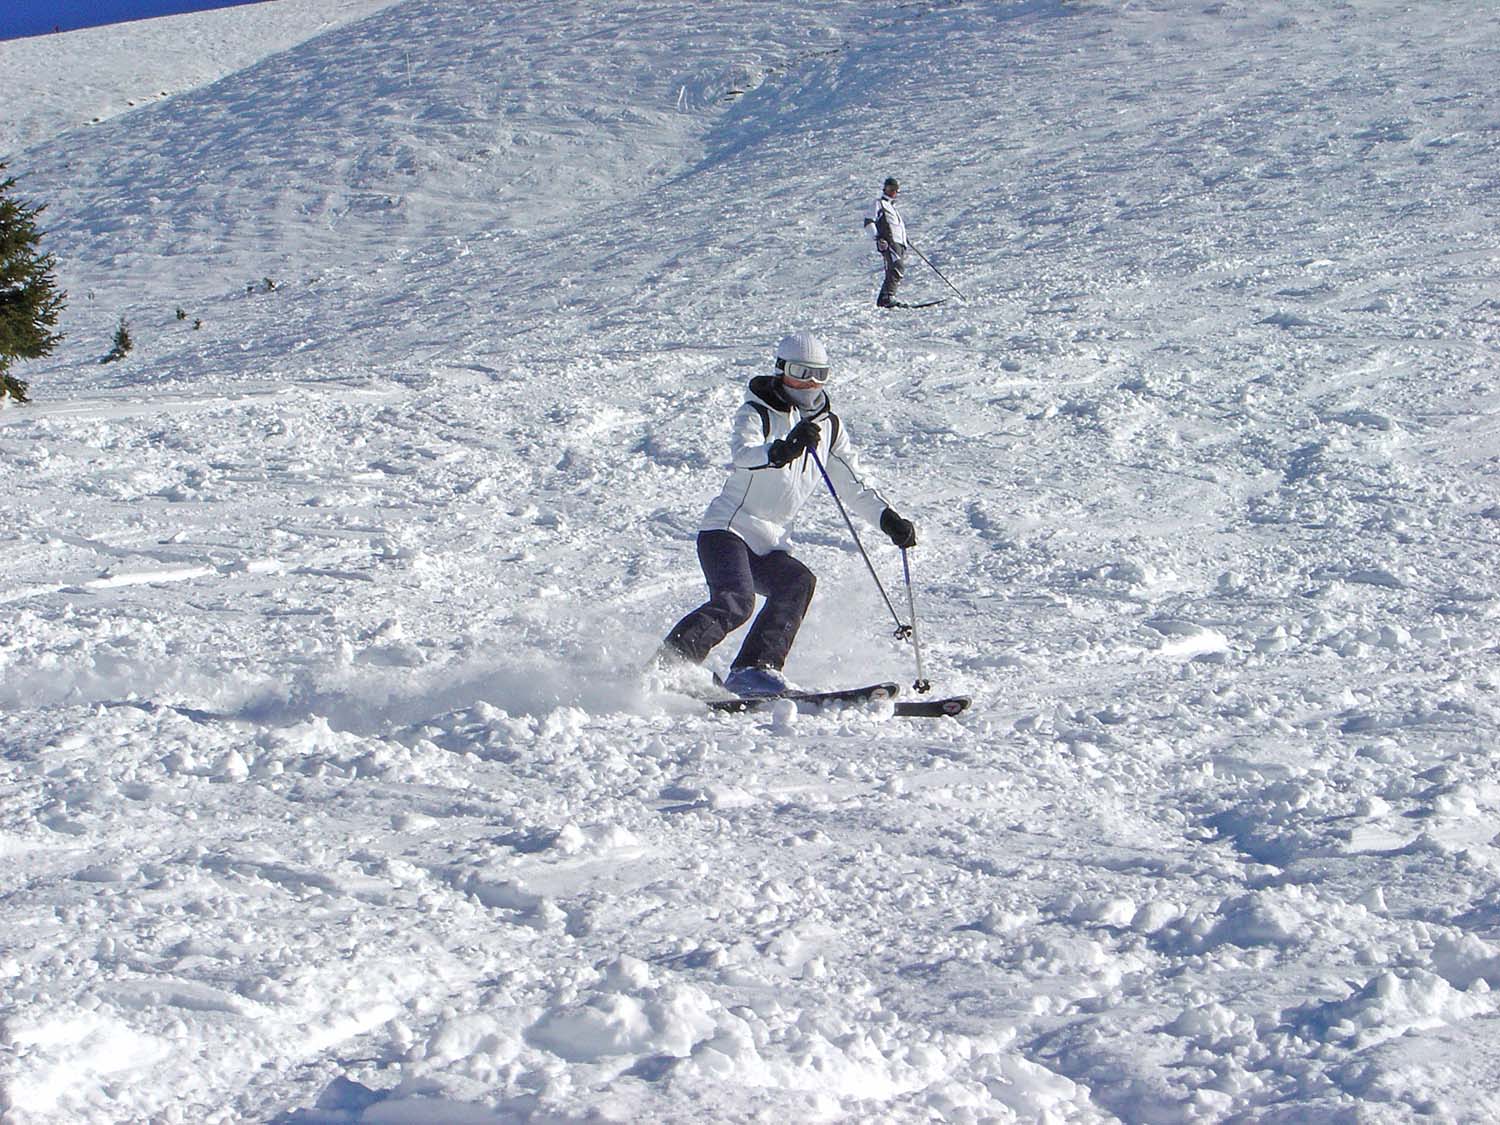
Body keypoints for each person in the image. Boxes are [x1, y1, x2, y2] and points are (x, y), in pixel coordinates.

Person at [655, 331, 918, 697]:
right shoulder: (758, 411)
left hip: (771, 542)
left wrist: (887, 519)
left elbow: (854, 485)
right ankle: (667, 668)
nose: (809, 383)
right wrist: (780, 450)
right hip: (728, 531)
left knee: (797, 583)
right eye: (800, 371)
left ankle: (754, 670)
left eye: (819, 374)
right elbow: (743, 454)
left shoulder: (829, 428)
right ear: (781, 371)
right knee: (736, 600)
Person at [863, 176, 907, 308]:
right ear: (884, 189)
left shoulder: (892, 207)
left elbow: (895, 225)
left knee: (893, 268)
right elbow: (868, 222)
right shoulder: (879, 203)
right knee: (897, 266)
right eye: (889, 188)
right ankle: (887, 297)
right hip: (889, 241)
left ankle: (884, 298)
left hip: (899, 243)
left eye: (894, 190)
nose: (892, 192)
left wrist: (904, 240)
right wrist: (877, 238)